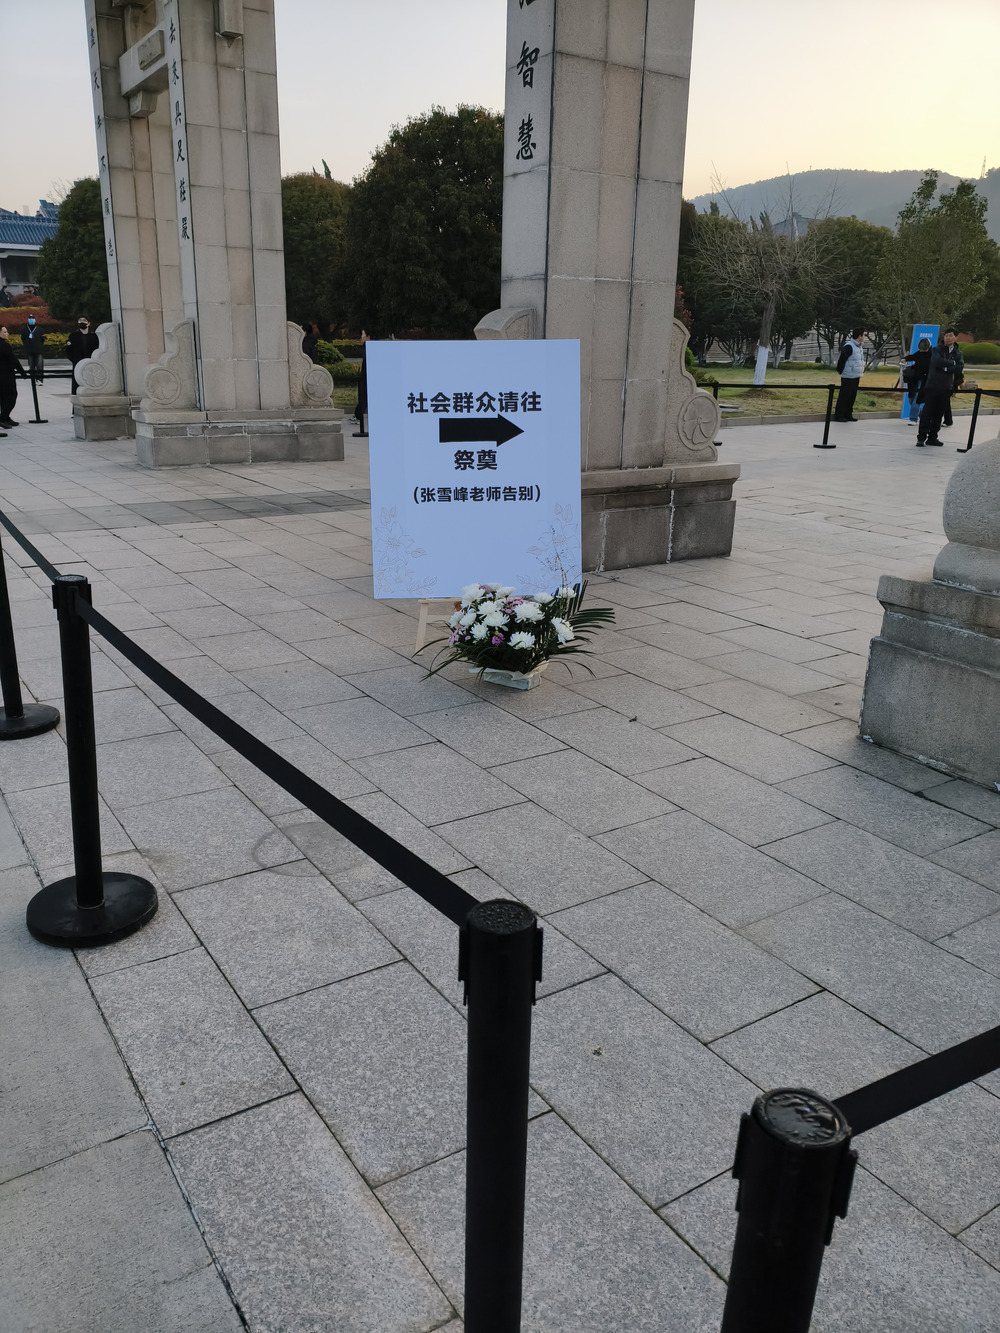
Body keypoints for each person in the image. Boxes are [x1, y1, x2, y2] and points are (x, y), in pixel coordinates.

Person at [917, 329, 964, 447]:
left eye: (950, 336)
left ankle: (933, 437)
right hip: (933, 386)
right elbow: (936, 362)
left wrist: (947, 368)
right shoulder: (936, 350)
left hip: (946, 387)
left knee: (938, 414)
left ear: (956, 338)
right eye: (946, 336)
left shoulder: (958, 353)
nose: (947, 338)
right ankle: (921, 438)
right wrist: (952, 363)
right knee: (927, 413)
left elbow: (960, 366)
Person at [0, 325, 28, 427]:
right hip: (6, 375)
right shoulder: (4, 345)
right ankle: (3, 418)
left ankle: (6, 417)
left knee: (3, 398)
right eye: (4, 332)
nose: (7, 333)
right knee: (11, 397)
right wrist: (22, 372)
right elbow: (13, 360)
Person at [834, 330, 865, 421]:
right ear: (859, 336)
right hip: (848, 375)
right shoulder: (849, 346)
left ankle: (848, 414)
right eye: (863, 335)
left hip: (856, 375)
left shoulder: (859, 347)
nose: (864, 337)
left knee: (852, 396)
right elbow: (842, 359)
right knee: (845, 396)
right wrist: (840, 370)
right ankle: (839, 415)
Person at [67, 315, 100, 394]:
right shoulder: (73, 336)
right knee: (76, 383)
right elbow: (68, 350)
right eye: (80, 321)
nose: (82, 322)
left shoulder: (94, 337)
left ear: (88, 323)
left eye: (84, 321)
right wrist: (74, 360)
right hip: (77, 362)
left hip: (90, 363)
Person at [902, 337, 931, 424]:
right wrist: (905, 358)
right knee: (911, 399)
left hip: (924, 380)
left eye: (923, 350)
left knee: (917, 399)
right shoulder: (919, 353)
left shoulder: (932, 354)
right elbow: (913, 356)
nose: (921, 352)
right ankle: (922, 414)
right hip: (914, 379)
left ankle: (913, 419)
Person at [353, 329, 372, 437]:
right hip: (365, 378)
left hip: (367, 378)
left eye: (363, 335)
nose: (361, 337)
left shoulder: (371, 349)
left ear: (369, 337)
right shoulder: (366, 348)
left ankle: (358, 415)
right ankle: (358, 415)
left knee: (364, 398)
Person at [21, 314, 46, 381]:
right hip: (29, 350)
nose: (31, 320)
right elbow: (23, 338)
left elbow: (43, 339)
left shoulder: (39, 329)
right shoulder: (24, 329)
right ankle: (33, 379)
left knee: (39, 365)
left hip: (38, 350)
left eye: (32, 318)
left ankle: (40, 379)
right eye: (30, 318)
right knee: (31, 366)